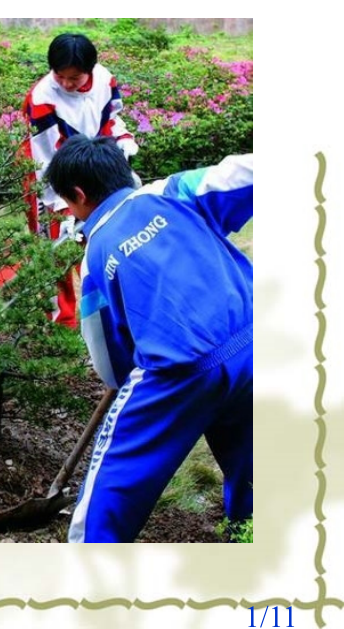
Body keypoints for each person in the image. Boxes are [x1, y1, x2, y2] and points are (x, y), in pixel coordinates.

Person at [43, 135, 252, 543]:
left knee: (115, 483)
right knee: (257, 461)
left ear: (79, 197)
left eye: (67, 204)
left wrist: (129, 387)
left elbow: (109, 363)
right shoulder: (173, 192)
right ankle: (252, 534)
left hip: (179, 369)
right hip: (255, 339)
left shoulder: (97, 254)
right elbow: (244, 174)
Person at [22, 33, 139, 328]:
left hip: (93, 169)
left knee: (102, 240)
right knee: (56, 247)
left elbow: (112, 119)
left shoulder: (105, 80)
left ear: (89, 70)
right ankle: (59, 324)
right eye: (59, 76)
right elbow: (45, 157)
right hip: (48, 174)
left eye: (73, 78)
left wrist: (121, 140)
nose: (65, 83)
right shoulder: (42, 98)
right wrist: (62, 205)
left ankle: (110, 318)